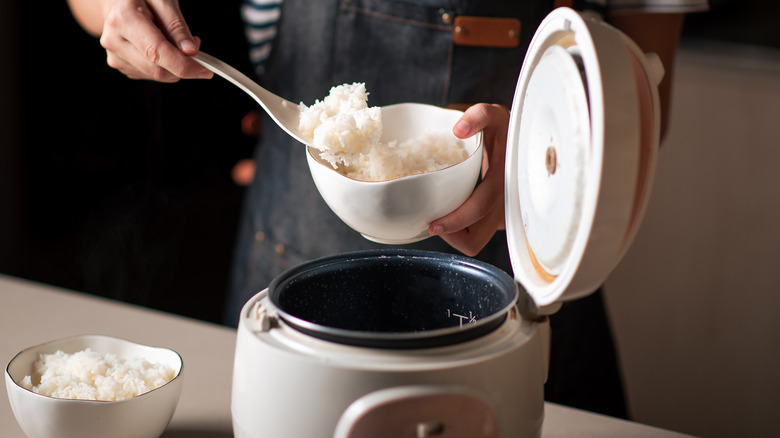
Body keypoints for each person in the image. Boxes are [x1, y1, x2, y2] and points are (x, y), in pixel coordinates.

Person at [66, 0, 707, 419]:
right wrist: (118, 12)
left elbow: (644, 92)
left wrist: (550, 149)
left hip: (521, 261)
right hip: (291, 238)